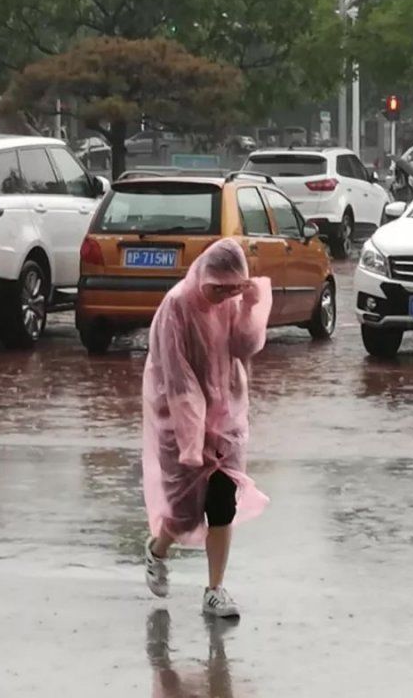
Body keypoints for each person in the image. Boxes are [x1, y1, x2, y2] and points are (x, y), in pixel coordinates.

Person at [141, 238, 272, 618]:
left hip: (226, 414)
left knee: (221, 502)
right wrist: (190, 439)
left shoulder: (230, 301)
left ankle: (214, 590)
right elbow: (178, 380)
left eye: (234, 288)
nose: (225, 295)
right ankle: (157, 550)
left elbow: (244, 347)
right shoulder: (177, 306)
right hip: (177, 420)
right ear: (204, 276)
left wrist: (249, 306)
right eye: (220, 288)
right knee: (184, 512)